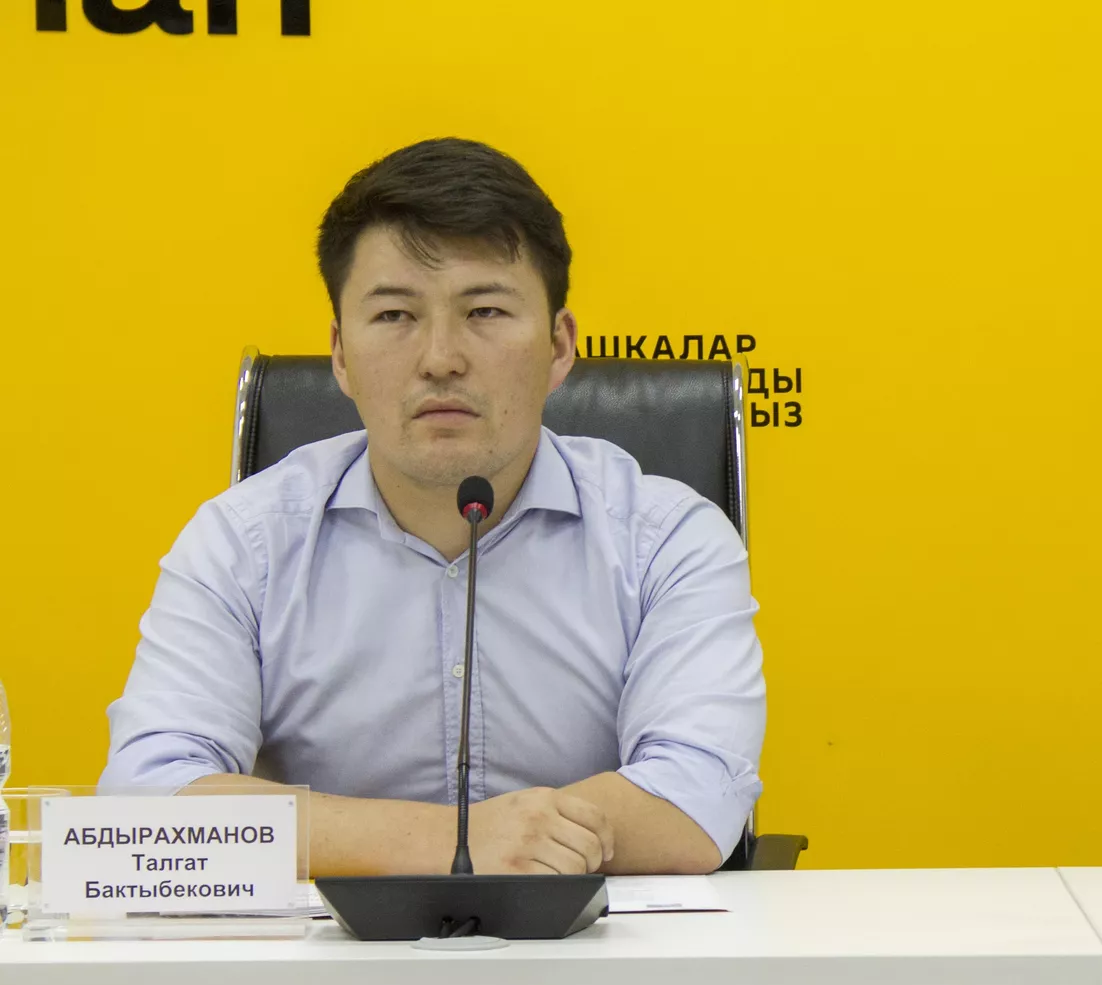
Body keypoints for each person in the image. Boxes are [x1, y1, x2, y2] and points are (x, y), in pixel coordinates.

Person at [102, 138, 765, 877]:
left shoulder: (667, 539)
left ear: (559, 347)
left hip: (594, 944)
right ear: (341, 354)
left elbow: (693, 799)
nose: (441, 358)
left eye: (485, 310)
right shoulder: (243, 543)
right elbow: (145, 799)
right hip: (325, 949)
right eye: (394, 315)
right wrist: (454, 844)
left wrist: (486, 843)